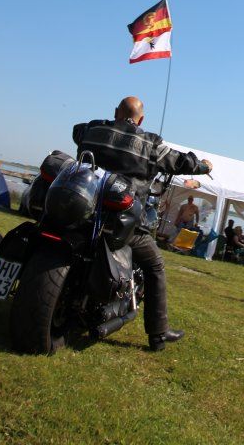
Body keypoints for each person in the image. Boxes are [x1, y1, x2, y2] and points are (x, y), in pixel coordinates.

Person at [73, 96, 212, 351]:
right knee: (155, 265)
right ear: (141, 119)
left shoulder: (92, 128)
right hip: (120, 220)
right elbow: (181, 162)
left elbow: (76, 132)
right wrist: (203, 166)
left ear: (116, 112)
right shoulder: (150, 143)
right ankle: (158, 334)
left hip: (83, 211)